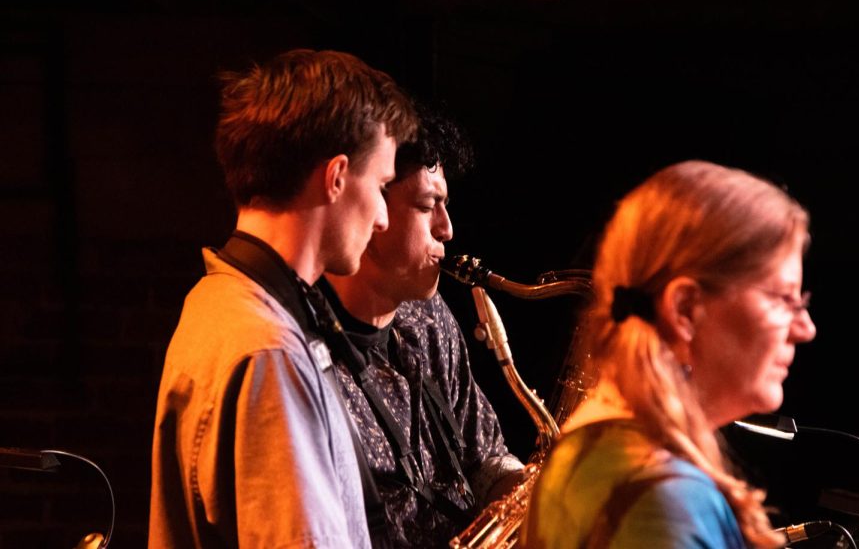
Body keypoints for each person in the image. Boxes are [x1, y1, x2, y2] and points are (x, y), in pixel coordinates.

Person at [148, 49, 418, 548]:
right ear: (336, 176)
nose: (383, 216)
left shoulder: (216, 299)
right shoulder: (267, 350)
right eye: (382, 185)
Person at [521, 160, 817, 549]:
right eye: (783, 299)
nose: (805, 328)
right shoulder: (661, 498)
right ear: (685, 309)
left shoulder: (593, 450)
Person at [319, 106, 525, 548]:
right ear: (373, 208)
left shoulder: (429, 315)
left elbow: (485, 457)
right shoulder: (306, 353)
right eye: (429, 205)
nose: (447, 229)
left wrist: (536, 498)